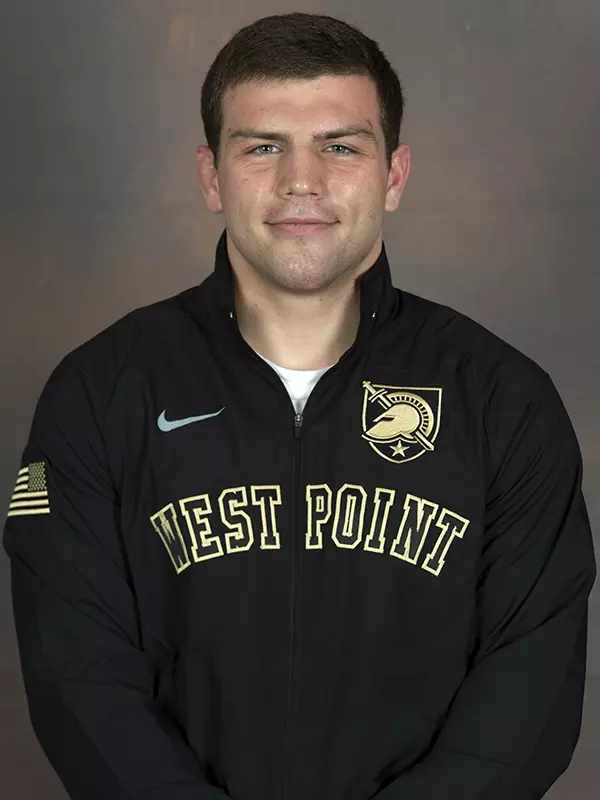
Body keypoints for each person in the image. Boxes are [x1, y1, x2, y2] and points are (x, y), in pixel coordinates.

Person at [2, 11, 596, 800]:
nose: (301, 182)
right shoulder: (102, 391)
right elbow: (77, 677)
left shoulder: (504, 401)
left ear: (395, 174)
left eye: (341, 146)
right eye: (262, 147)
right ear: (212, 176)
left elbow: (530, 688)